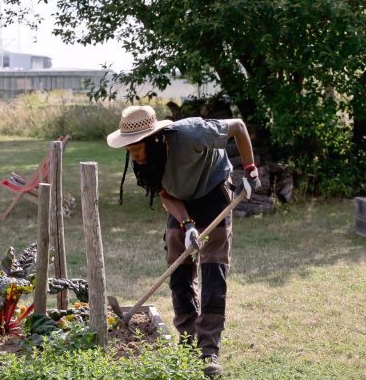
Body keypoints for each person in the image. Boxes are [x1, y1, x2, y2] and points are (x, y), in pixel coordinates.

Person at [107, 105, 259, 377]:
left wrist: (250, 171)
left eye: (137, 150)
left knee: (213, 268)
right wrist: (187, 224)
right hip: (181, 198)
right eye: (130, 152)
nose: (135, 158)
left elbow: (238, 126)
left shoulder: (191, 134)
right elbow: (165, 194)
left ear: (153, 140)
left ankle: (209, 348)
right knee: (178, 263)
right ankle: (189, 340)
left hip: (213, 188)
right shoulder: (147, 162)